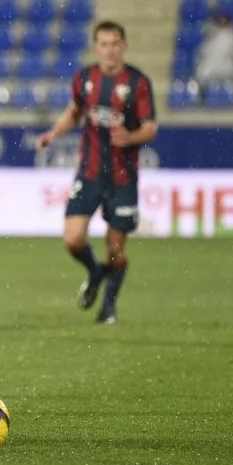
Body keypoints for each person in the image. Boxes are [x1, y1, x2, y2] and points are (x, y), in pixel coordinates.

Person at [37, 20, 157, 325]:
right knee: (73, 239)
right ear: (96, 47)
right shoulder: (84, 78)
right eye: (104, 44)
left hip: (122, 177)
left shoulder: (138, 83)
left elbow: (150, 127)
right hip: (89, 173)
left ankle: (109, 307)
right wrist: (54, 133)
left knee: (116, 248)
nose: (110, 50)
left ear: (124, 46)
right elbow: (75, 112)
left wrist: (130, 137)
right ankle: (94, 271)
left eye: (115, 44)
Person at [194, 12, 233, 93]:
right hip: (213, 67)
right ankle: (198, 98)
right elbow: (202, 53)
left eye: (225, 22)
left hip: (229, 67)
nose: (223, 25)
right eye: (221, 22)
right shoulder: (213, 37)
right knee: (201, 72)